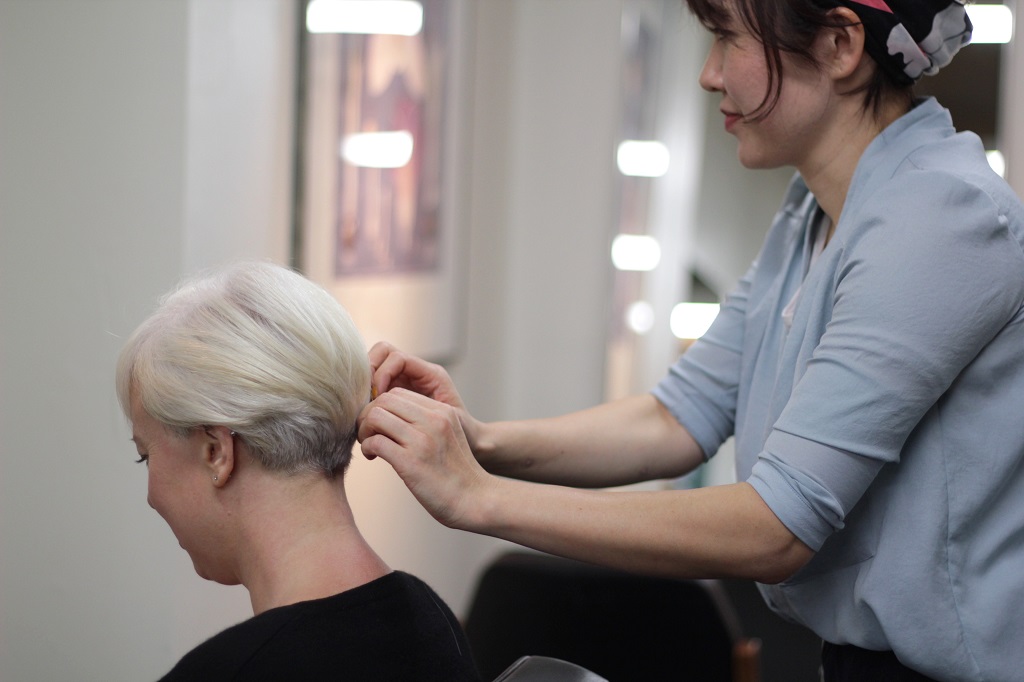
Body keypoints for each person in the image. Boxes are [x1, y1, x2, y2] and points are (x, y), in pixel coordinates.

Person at [357, 1, 1024, 680]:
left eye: (729, 38)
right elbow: (678, 415)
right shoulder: (812, 211)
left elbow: (775, 527)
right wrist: (479, 441)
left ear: (841, 43)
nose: (709, 74)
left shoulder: (942, 218)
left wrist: (479, 499)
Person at [116, 261, 479, 681]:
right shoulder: (431, 617)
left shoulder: (228, 672)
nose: (150, 495)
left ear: (217, 451)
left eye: (146, 456)